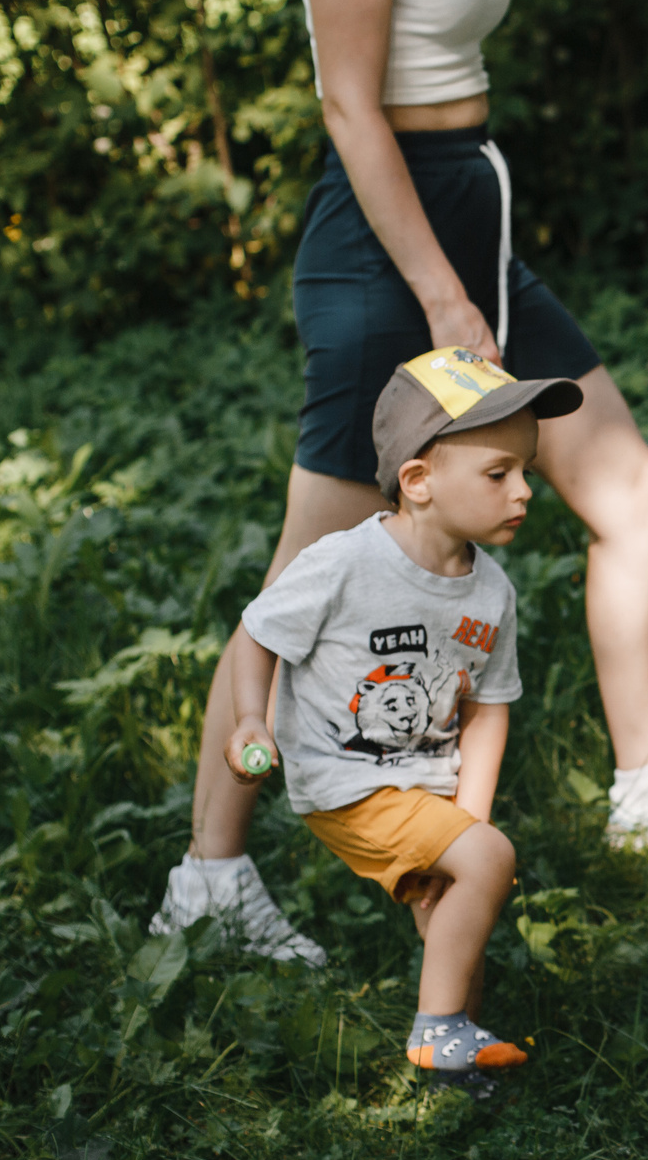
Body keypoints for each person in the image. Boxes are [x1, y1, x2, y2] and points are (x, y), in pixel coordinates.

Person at [152, 0, 648, 965]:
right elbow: (350, 108)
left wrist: (465, 274)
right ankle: (209, 881)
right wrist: (441, 298)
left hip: (468, 219)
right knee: (301, 583)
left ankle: (647, 791)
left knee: (627, 487)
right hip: (392, 246)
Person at [226, 352, 571, 1082]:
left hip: (429, 782)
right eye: (498, 473)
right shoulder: (345, 562)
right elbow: (257, 632)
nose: (523, 492)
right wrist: (249, 721)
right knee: (488, 861)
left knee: (458, 901)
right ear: (418, 482)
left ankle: (461, 1054)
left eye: (527, 473)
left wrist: (468, 818)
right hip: (343, 778)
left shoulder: (491, 593)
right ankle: (436, 1031)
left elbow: (490, 709)